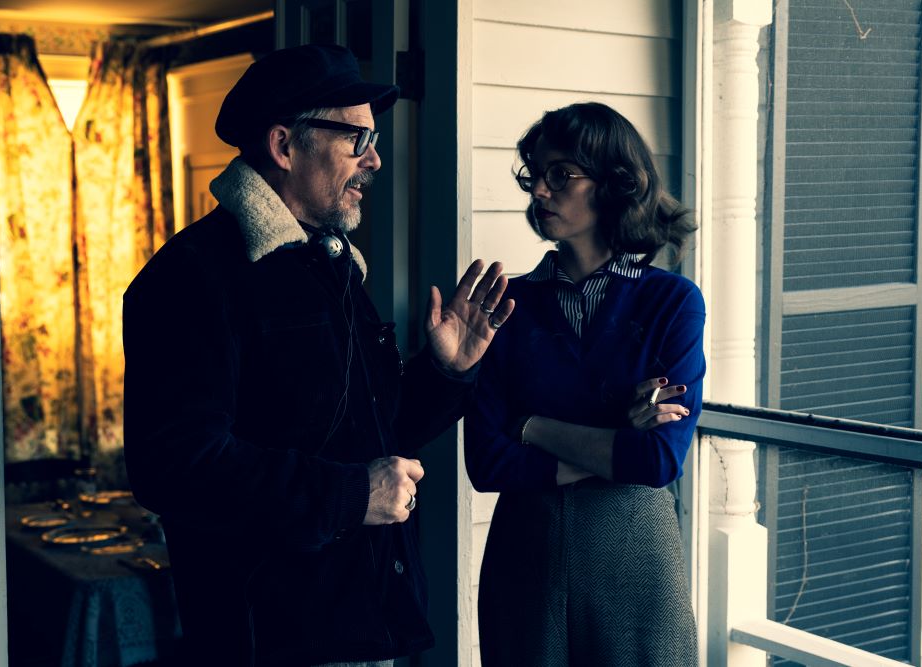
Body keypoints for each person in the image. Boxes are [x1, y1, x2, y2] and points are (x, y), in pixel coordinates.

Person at [122, 44, 513, 667]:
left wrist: (446, 372)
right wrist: (351, 496)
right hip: (267, 639)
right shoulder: (190, 280)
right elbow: (174, 465)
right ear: (284, 147)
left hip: (361, 619)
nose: (375, 159)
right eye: (358, 139)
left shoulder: (331, 268)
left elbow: (375, 435)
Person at [464, 102, 705, 666]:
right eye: (535, 176)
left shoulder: (670, 302)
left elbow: (657, 462)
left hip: (636, 559)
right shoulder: (508, 307)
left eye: (561, 175)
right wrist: (616, 432)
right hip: (525, 557)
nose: (540, 191)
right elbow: (486, 462)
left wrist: (531, 425)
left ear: (614, 185)